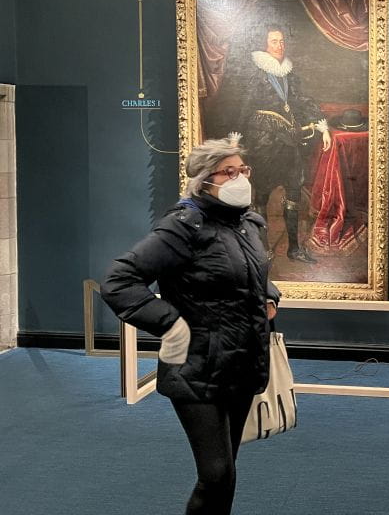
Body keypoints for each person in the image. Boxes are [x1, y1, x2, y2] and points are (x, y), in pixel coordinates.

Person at [101, 133, 280, 515]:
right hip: (196, 367)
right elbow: (119, 281)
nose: (239, 178)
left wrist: (269, 296)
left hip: (242, 362)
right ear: (204, 181)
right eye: (227, 172)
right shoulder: (183, 227)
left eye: (242, 169)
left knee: (228, 471)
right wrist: (170, 323)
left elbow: (256, 269)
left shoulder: (246, 223)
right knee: (214, 473)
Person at [235, 24, 332, 264]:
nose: (279, 46)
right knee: (263, 194)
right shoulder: (254, 72)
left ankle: (294, 249)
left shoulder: (289, 73)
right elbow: (243, 106)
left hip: (289, 141)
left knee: (294, 189)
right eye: (274, 41)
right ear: (264, 45)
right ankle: (262, 250)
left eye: (281, 41)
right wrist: (234, 138)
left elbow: (300, 100)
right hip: (263, 141)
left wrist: (322, 124)